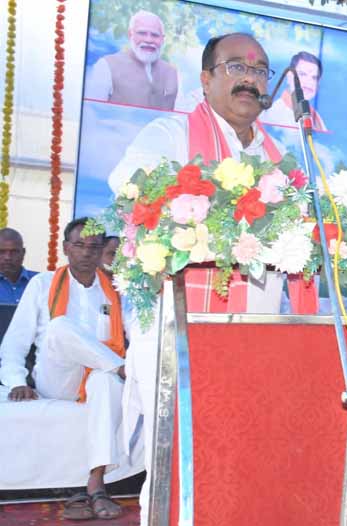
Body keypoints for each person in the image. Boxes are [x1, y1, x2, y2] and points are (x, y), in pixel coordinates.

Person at [108, 33, 283, 526]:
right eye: (236, 67)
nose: (250, 79)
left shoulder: (278, 156)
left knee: (241, 459)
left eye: (259, 70)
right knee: (177, 460)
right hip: (177, 328)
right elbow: (128, 186)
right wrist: (209, 206)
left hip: (254, 336)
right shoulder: (171, 133)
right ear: (206, 79)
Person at [0, 218, 128, 520]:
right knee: (59, 328)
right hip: (57, 376)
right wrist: (17, 381)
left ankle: (96, 484)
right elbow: (14, 343)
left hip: (98, 378)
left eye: (93, 246)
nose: (86, 252)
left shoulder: (117, 290)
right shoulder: (42, 284)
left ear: (101, 251)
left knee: (105, 380)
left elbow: (136, 331)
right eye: (79, 245)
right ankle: (120, 368)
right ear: (66, 248)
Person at [84, 10, 179, 110]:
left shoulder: (172, 72)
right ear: (130, 34)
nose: (149, 40)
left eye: (155, 35)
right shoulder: (106, 66)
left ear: (162, 39)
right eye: (142, 33)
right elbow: (91, 111)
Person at [261, 51, 328, 132]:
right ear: (289, 76)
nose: (309, 82)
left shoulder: (313, 115)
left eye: (314, 78)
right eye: (302, 74)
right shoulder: (275, 113)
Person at [0, 227, 37, 305]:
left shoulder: (40, 281)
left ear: (23, 253)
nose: (8, 257)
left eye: (14, 252)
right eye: (1, 252)